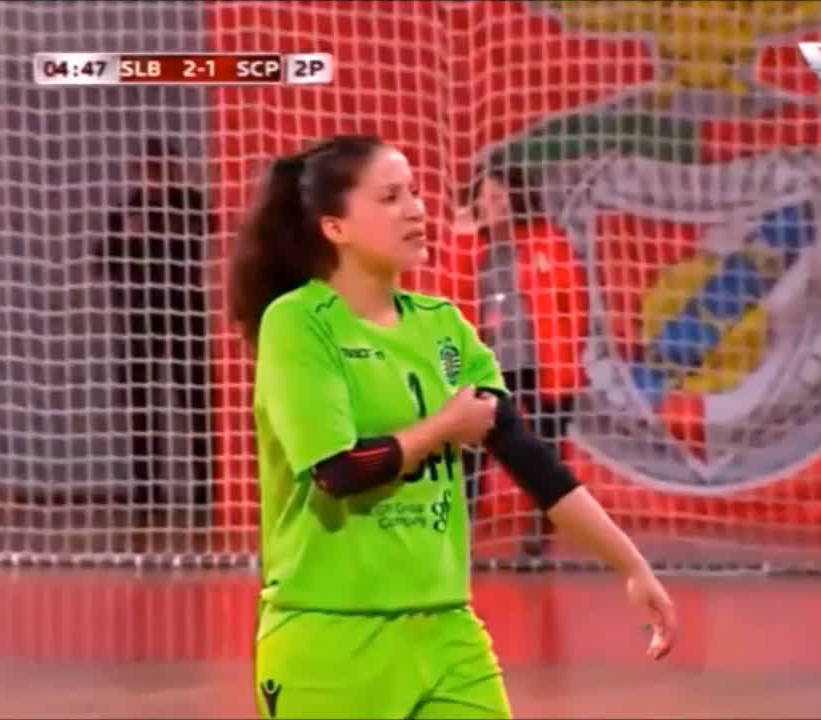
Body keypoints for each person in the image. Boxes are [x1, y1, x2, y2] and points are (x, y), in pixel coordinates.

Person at [230, 134, 677, 720]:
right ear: (335, 227)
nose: (415, 209)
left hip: (447, 632)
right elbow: (338, 471)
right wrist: (444, 426)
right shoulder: (298, 324)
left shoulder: (443, 327)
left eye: (414, 192)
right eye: (390, 197)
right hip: (329, 637)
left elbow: (531, 460)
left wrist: (631, 565)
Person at [459, 165, 590, 556]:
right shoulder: (471, 248)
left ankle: (540, 529)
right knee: (472, 447)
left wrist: (568, 357)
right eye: (484, 197)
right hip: (488, 363)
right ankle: (461, 529)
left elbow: (575, 304)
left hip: (544, 363)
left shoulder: (547, 241)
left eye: (499, 195)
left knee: (543, 451)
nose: (492, 204)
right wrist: (462, 235)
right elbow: (451, 293)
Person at [95, 169, 215, 515]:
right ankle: (147, 491)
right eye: (147, 172)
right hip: (139, 318)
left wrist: (172, 225)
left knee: (196, 402)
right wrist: (128, 237)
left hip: (185, 314)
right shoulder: (127, 210)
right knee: (140, 406)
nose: (154, 179)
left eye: (161, 170)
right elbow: (103, 259)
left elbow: (211, 233)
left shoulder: (191, 205)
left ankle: (206, 491)